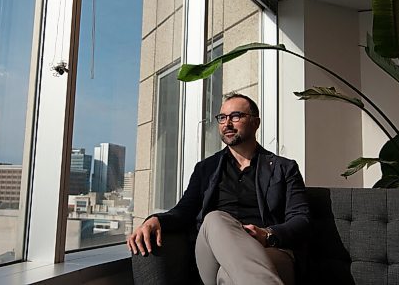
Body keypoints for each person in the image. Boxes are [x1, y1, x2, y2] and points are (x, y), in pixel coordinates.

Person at [127, 93, 310, 285]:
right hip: (212, 253)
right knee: (214, 218)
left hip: (269, 250)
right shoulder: (206, 169)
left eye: (236, 116)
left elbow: (301, 219)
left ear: (256, 122)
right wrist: (154, 219)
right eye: (222, 118)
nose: (227, 123)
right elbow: (184, 211)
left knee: (227, 277)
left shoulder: (284, 168)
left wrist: (268, 234)